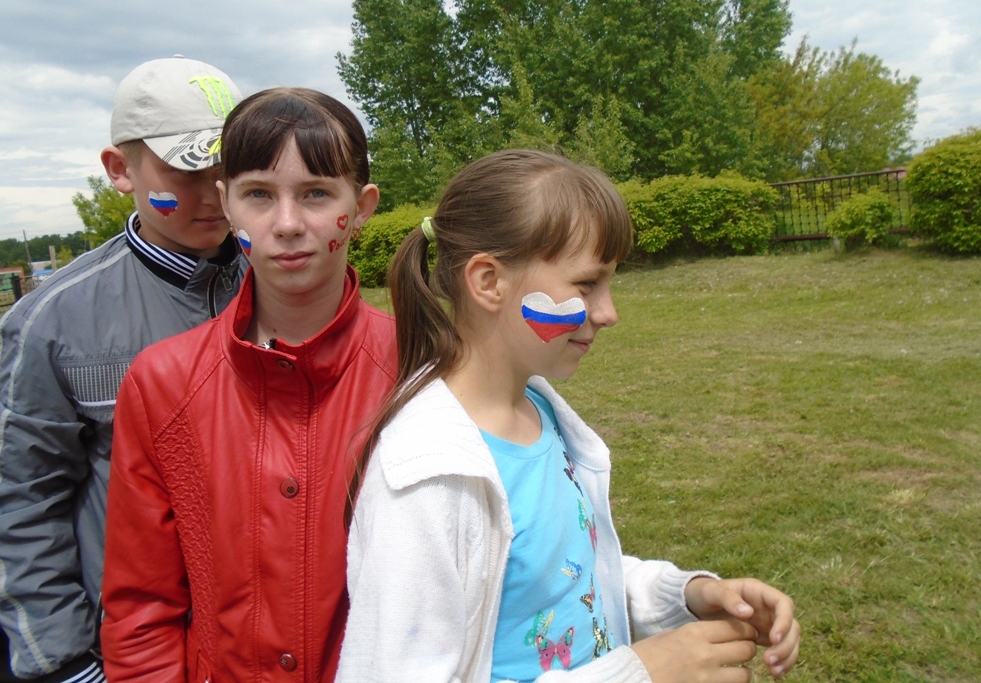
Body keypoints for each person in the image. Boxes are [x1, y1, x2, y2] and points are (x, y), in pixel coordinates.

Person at [338, 150, 801, 683]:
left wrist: (688, 595)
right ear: (488, 282)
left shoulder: (540, 414)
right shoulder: (428, 478)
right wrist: (638, 674)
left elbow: (565, 578)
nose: (608, 313)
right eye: (585, 285)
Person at [99, 88, 397, 682]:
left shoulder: (422, 365)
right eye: (258, 194)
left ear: (362, 206)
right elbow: (141, 609)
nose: (287, 224)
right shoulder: (162, 384)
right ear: (226, 203)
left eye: (316, 193)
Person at [0, 56, 245, 683]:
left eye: (231, 167)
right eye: (187, 170)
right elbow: (22, 503)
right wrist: (64, 662)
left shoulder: (281, 289)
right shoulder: (51, 323)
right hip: (125, 655)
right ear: (119, 169)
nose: (215, 192)